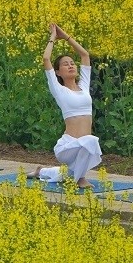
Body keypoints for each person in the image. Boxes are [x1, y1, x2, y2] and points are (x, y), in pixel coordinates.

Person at [27, 23, 101, 186]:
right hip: (68, 146)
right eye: (65, 64)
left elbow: (85, 55)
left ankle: (41, 171)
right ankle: (80, 179)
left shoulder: (83, 86)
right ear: (58, 72)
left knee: (69, 171)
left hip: (82, 147)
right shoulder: (59, 90)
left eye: (72, 63)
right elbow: (46, 59)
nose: (71, 65)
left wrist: (66, 36)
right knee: (91, 141)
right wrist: (53, 37)